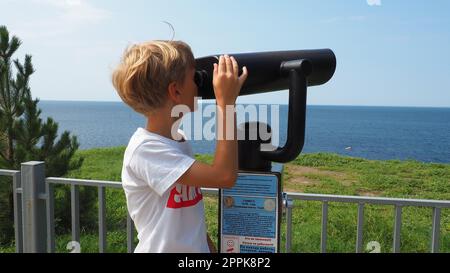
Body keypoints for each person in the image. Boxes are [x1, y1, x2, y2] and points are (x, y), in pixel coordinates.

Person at [112, 40, 248, 253]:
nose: (199, 85)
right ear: (175, 91)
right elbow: (224, 176)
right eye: (194, 78)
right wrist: (226, 103)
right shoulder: (145, 150)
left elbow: (191, 222)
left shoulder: (178, 141)